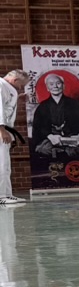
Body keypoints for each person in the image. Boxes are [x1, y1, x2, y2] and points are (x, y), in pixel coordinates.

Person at [0, 67, 25, 205]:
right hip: (1, 129)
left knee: (6, 164)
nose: (21, 87)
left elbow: (6, 107)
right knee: (1, 163)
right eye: (21, 84)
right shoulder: (0, 85)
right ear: (15, 80)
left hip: (6, 128)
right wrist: (2, 130)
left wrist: (18, 99)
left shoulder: (8, 87)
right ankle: (1, 196)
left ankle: (7, 194)